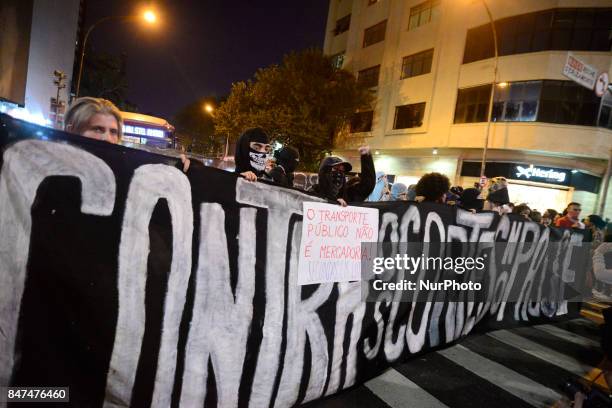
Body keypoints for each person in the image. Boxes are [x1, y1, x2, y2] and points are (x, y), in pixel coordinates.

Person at [310, 146, 375, 206]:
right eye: (335, 169)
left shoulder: (349, 194)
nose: (339, 173)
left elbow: (367, 185)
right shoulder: (314, 193)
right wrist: (333, 202)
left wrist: (366, 158)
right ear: (324, 172)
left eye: (341, 171)